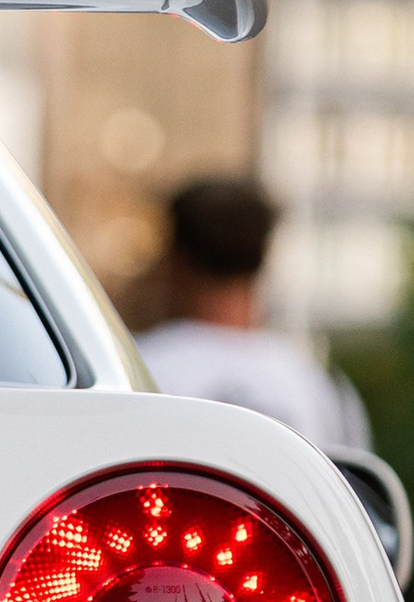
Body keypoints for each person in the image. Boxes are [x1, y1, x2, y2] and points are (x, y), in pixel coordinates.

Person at [131, 178, 369, 452]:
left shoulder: (139, 369)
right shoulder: (315, 384)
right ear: (266, 256)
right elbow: (347, 486)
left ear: (177, 260)